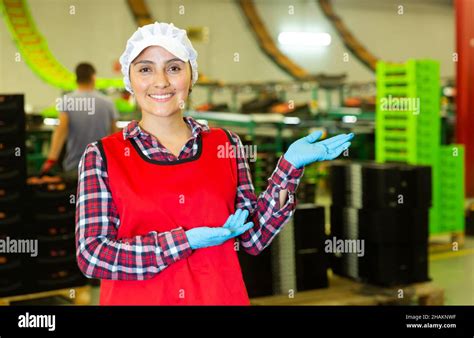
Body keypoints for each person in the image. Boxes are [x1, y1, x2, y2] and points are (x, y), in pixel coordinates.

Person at [75, 22, 354, 305]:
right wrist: (184, 242)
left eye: (173, 68)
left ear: (191, 76)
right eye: (145, 69)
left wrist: (288, 169)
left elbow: (253, 238)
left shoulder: (226, 145)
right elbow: (93, 255)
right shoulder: (102, 156)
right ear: (129, 79)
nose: (161, 81)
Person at [40, 63, 120, 178]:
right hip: (102, 166)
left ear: (76, 79)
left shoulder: (67, 101)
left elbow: (60, 132)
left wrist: (51, 160)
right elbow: (115, 135)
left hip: (75, 167)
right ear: (93, 77)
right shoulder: (108, 103)